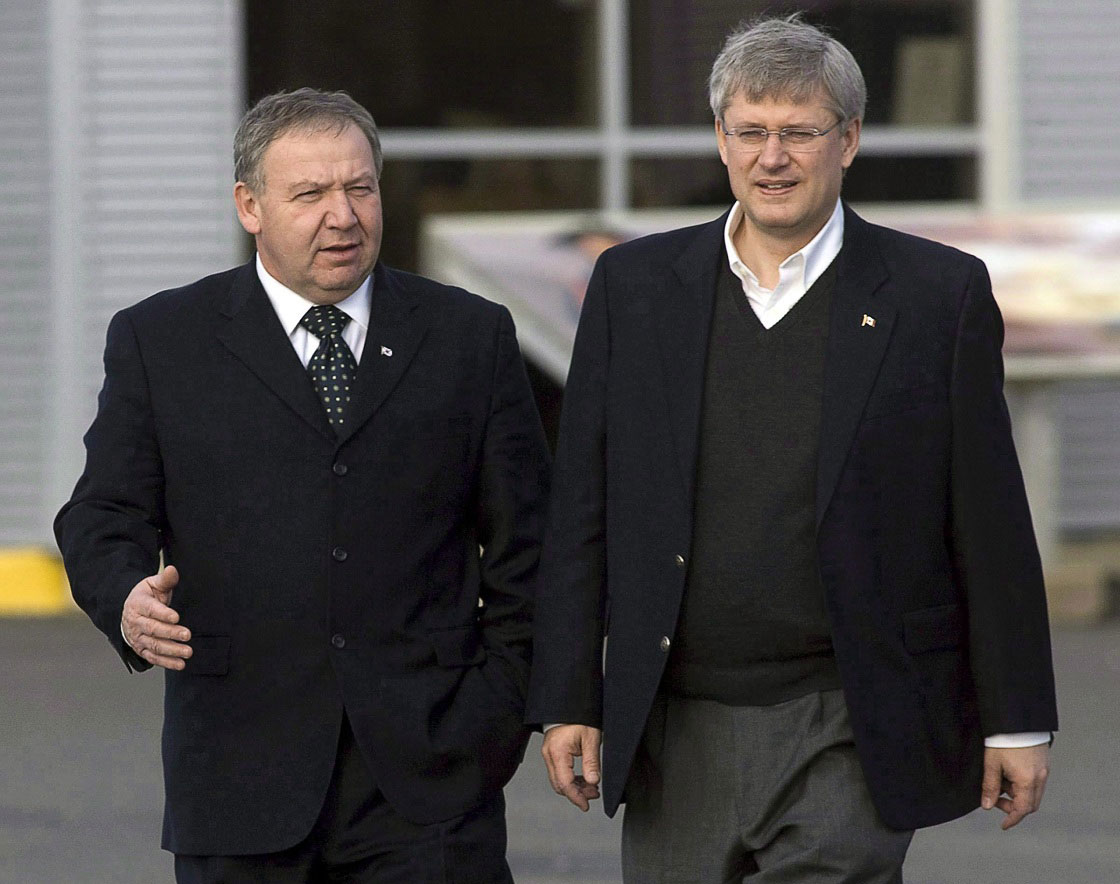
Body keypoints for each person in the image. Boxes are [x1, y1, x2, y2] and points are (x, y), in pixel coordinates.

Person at [525, 15, 1057, 883]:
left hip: (852, 715)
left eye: (799, 132)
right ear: (720, 139)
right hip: (676, 717)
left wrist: (1017, 719)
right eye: (751, 132)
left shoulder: (935, 296)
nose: (773, 157)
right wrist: (566, 698)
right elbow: (584, 503)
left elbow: (989, 520)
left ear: (848, 140)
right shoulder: (636, 288)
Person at [55, 88, 550, 883]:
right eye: (311, 193)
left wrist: (500, 705)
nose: (343, 215)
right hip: (238, 775)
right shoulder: (161, 340)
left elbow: (531, 541)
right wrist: (124, 598)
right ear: (249, 205)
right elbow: (101, 511)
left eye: (360, 187)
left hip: (430, 779)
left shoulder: (469, 335)